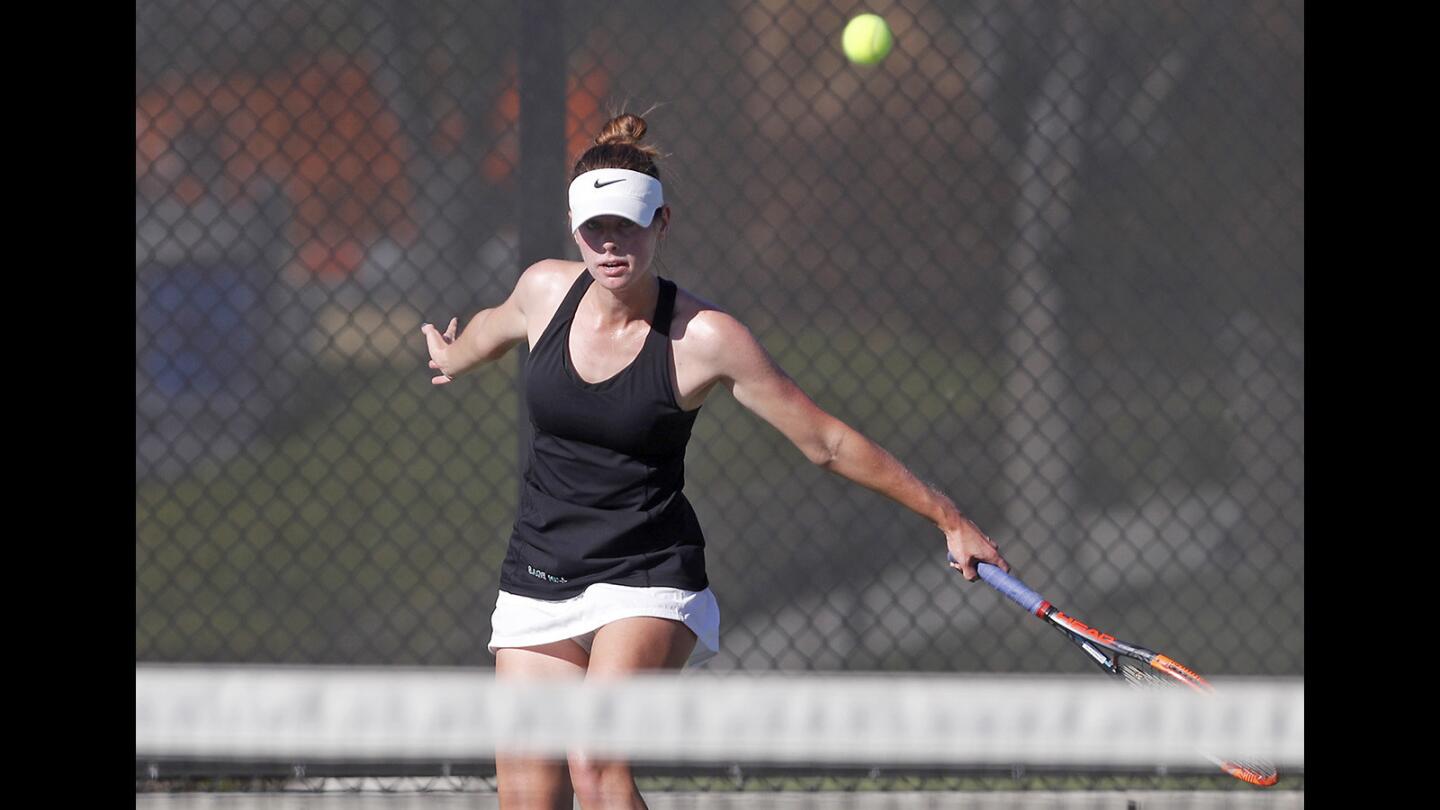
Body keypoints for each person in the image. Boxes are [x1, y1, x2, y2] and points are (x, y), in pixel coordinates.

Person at [420, 113, 1008, 810]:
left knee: (594, 764)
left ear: (662, 222)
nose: (611, 244)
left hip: (645, 577)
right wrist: (453, 354)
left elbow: (825, 441)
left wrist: (947, 517)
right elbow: (490, 329)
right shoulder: (544, 290)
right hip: (539, 572)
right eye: (595, 228)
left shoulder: (706, 338)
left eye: (629, 226)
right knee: (526, 796)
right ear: (574, 228)